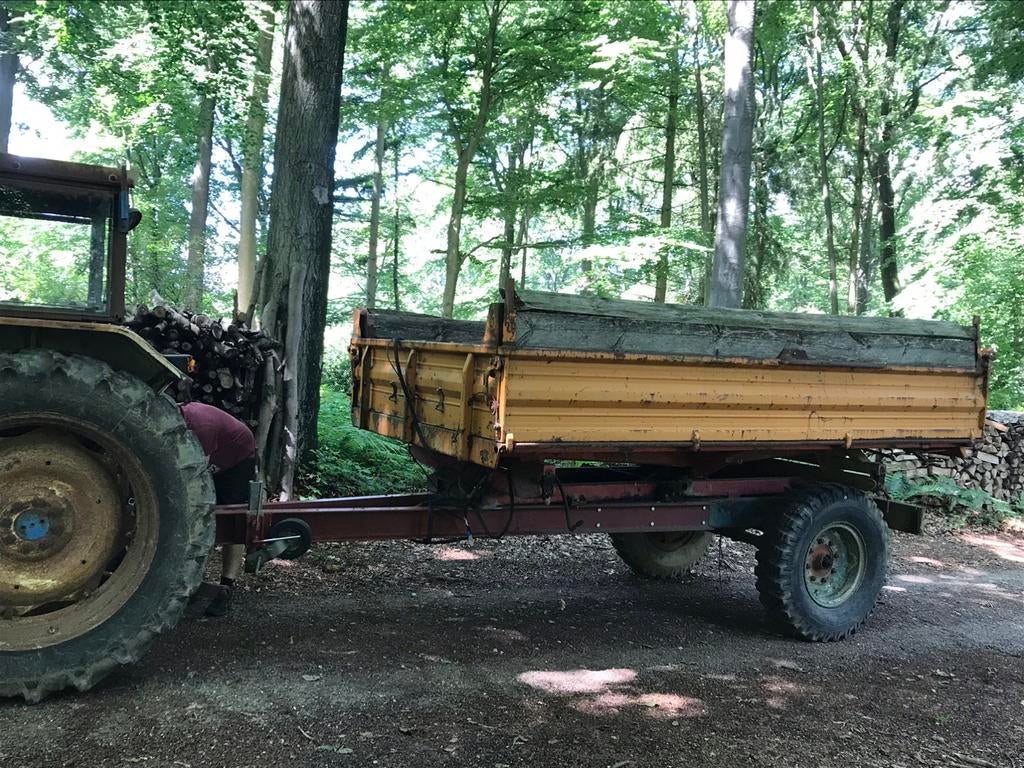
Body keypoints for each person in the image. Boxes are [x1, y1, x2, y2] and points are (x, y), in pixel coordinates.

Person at [180, 402, 257, 617]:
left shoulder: (201, 425)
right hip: (212, 458)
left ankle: (226, 586)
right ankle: (194, 583)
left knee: (233, 520)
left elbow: (195, 476)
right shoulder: (176, 425)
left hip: (237, 459)